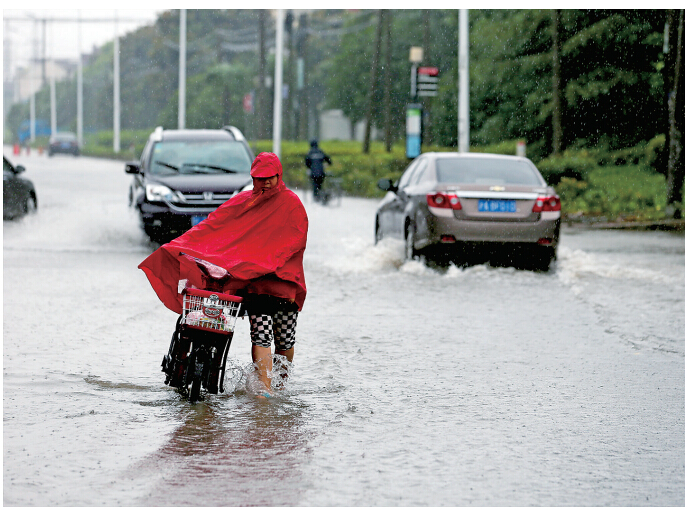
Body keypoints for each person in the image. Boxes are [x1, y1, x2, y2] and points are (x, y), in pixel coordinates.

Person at [139, 152, 308, 397]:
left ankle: (281, 385)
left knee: (284, 340)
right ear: (253, 178)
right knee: (260, 334)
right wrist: (181, 245)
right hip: (255, 283)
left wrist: (264, 262)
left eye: (270, 178)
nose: (265, 183)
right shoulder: (243, 202)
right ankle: (264, 391)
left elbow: (295, 242)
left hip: (283, 282)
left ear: (279, 175)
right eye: (259, 179)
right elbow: (214, 226)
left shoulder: (292, 204)